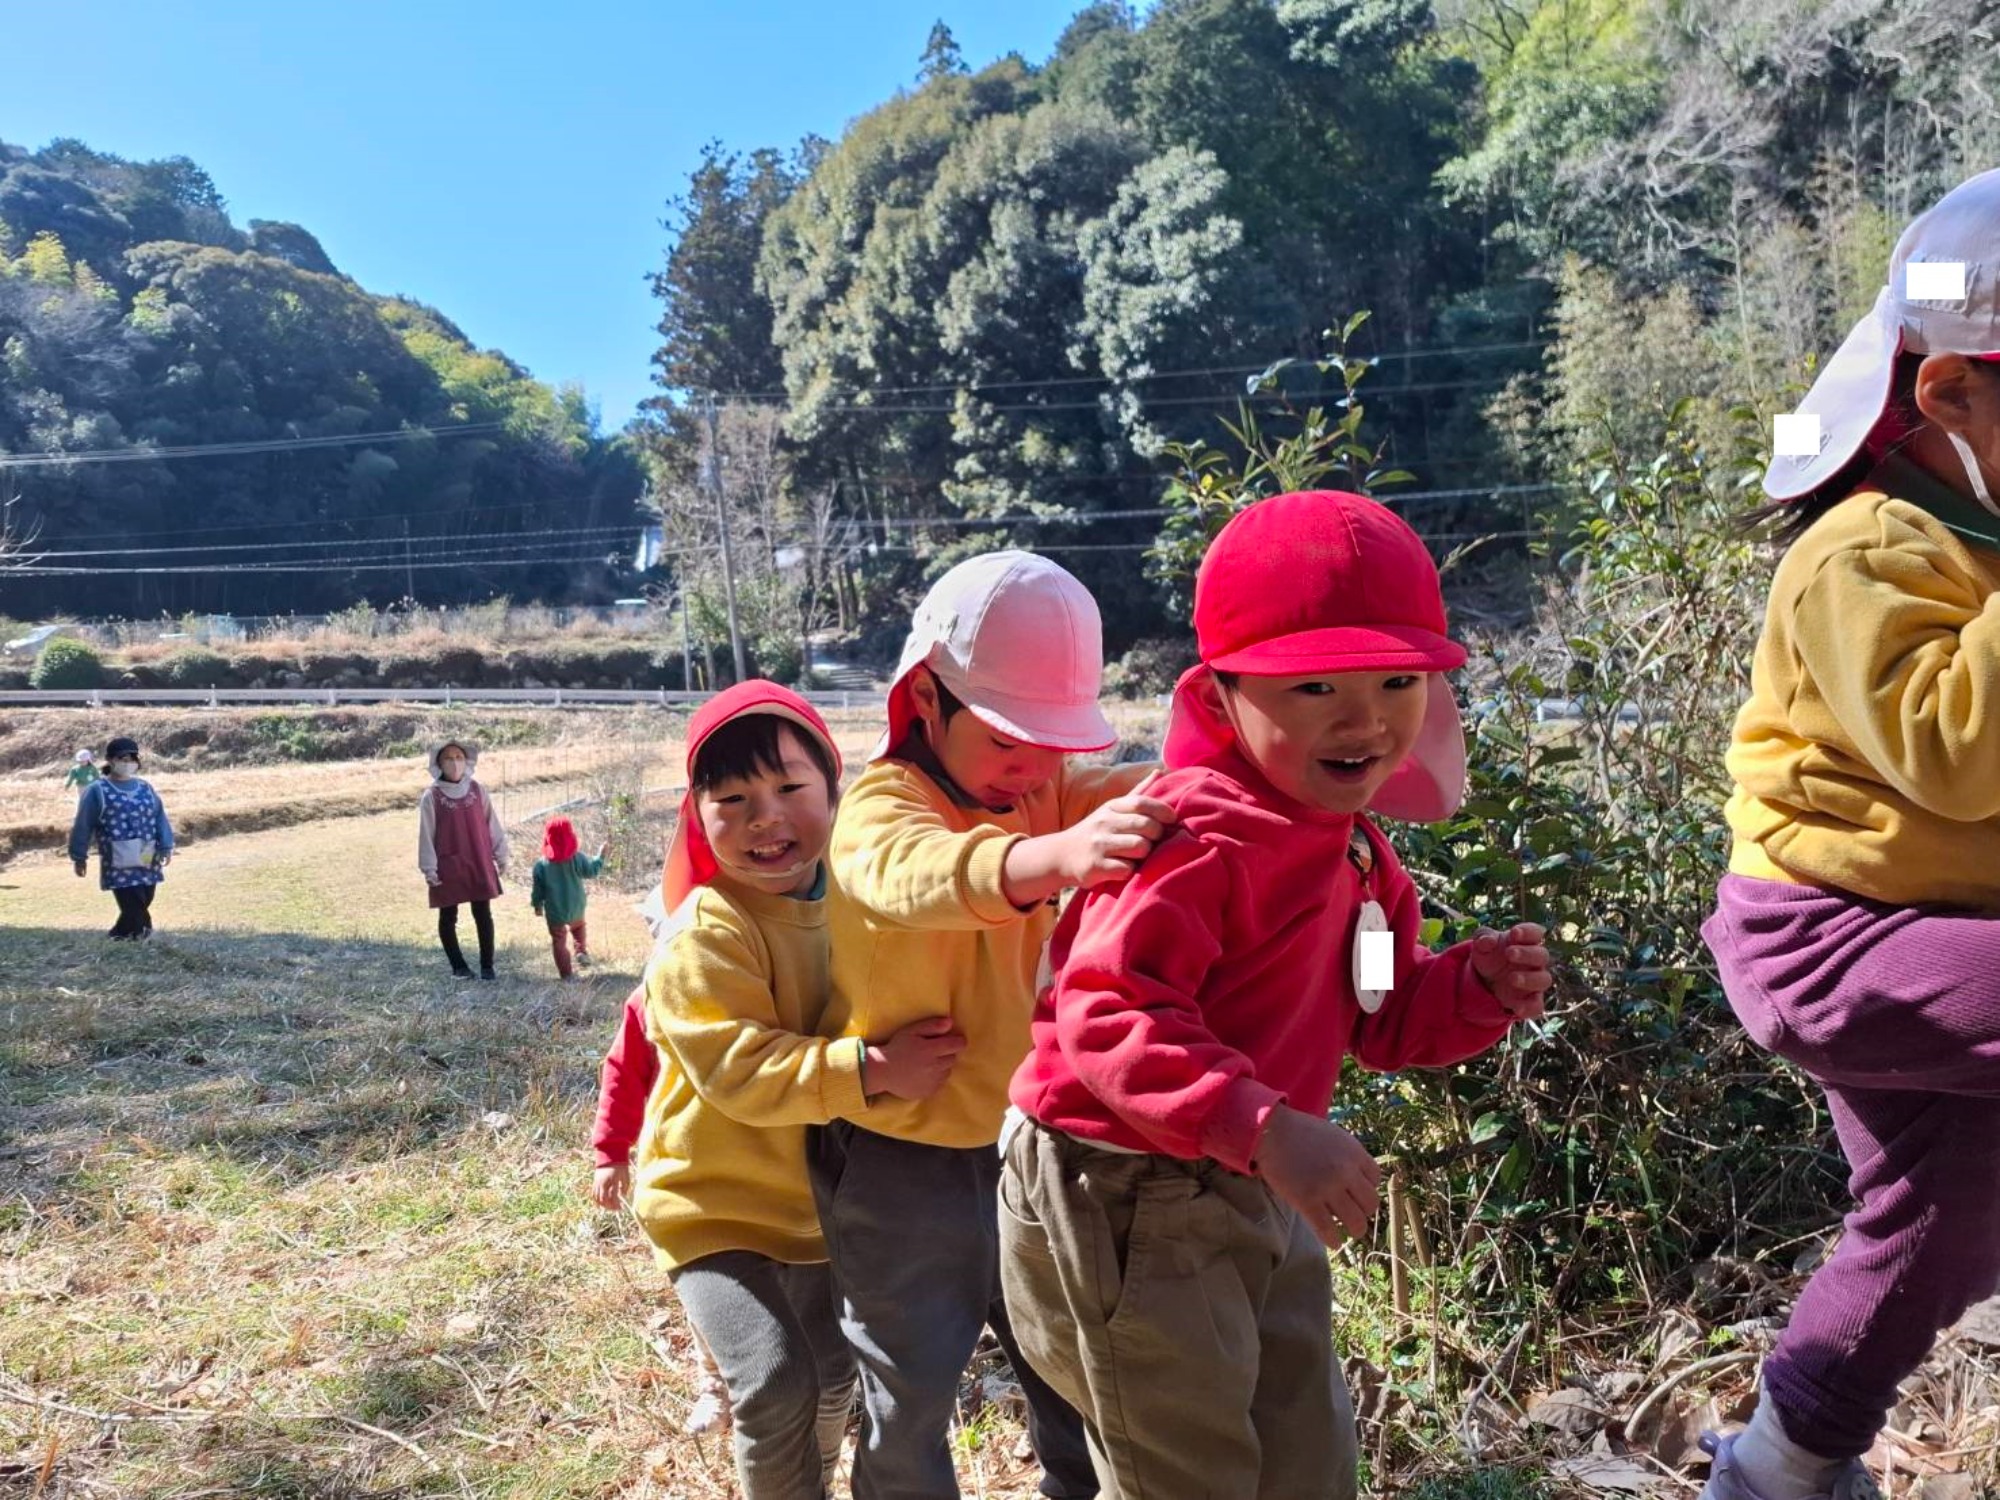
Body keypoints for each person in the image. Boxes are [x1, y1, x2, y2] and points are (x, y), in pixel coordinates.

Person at [997, 492, 1551, 1498]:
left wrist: (1468, 990)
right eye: (1312, 689)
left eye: (1396, 681)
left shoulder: (1360, 853)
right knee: (1189, 1469)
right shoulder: (1192, 835)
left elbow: (1377, 1015)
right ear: (1220, 697)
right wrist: (1265, 1128)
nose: (1364, 720)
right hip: (1124, 1187)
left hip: (1251, 1169)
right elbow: (1109, 1018)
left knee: (1304, 1453)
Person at [1698, 168, 2000, 1500]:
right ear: (1950, 395)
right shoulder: (1866, 551)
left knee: (1941, 1214)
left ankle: (1781, 1462)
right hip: (1828, 935)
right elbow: (1952, 748)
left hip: (1931, 930)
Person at [811, 551, 1174, 1500]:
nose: (1037, 765)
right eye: (1013, 737)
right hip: (900, 1153)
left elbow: (1136, 791)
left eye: (1057, 742)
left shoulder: (1040, 788)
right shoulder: (880, 806)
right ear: (926, 698)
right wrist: (1055, 857)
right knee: (913, 1378)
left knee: (1064, 1359)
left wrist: (1228, 770)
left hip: (1026, 1146)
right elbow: (921, 873)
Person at [631, 680, 965, 1500]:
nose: (764, 818)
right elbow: (739, 1069)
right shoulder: (708, 932)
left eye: (789, 789)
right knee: (776, 1380)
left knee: (833, 1371)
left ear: (835, 791)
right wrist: (872, 1072)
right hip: (712, 1207)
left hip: (816, 1210)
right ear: (697, 815)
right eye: (732, 798)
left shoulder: (859, 906)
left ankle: (808, 1477)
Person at [590, 982, 734, 1439]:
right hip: (689, 1178)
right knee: (709, 1288)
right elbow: (623, 1074)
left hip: (775, 1173)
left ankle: (796, 1383)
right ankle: (715, 1385)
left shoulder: (774, 971)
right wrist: (611, 1152)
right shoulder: (653, 993)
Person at [68, 735, 174, 941]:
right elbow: (83, 825)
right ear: (110, 760)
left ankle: (117, 936)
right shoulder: (97, 791)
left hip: (146, 854)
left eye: (131, 759)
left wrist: (166, 844)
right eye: (122, 759)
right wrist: (78, 856)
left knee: (144, 897)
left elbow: (159, 816)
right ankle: (144, 936)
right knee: (133, 903)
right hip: (118, 857)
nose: (127, 763)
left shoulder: (145, 787)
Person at [417, 741, 507, 980]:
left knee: (483, 913)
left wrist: (501, 854)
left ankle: (487, 967)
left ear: (466, 761)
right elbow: (427, 834)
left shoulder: (478, 790)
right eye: (448, 758)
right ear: (438, 763)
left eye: (458, 756)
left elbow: (491, 824)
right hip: (448, 862)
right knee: (448, 916)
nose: (454, 762)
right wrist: (429, 867)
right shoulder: (432, 797)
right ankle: (459, 967)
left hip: (478, 858)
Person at [530, 815, 605, 980]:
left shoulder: (541, 865)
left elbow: (538, 890)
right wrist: (600, 857)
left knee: (559, 941)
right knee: (578, 928)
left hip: (555, 911)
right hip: (576, 905)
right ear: (571, 836)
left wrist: (537, 905)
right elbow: (591, 871)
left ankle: (566, 974)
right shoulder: (577, 858)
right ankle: (580, 951)